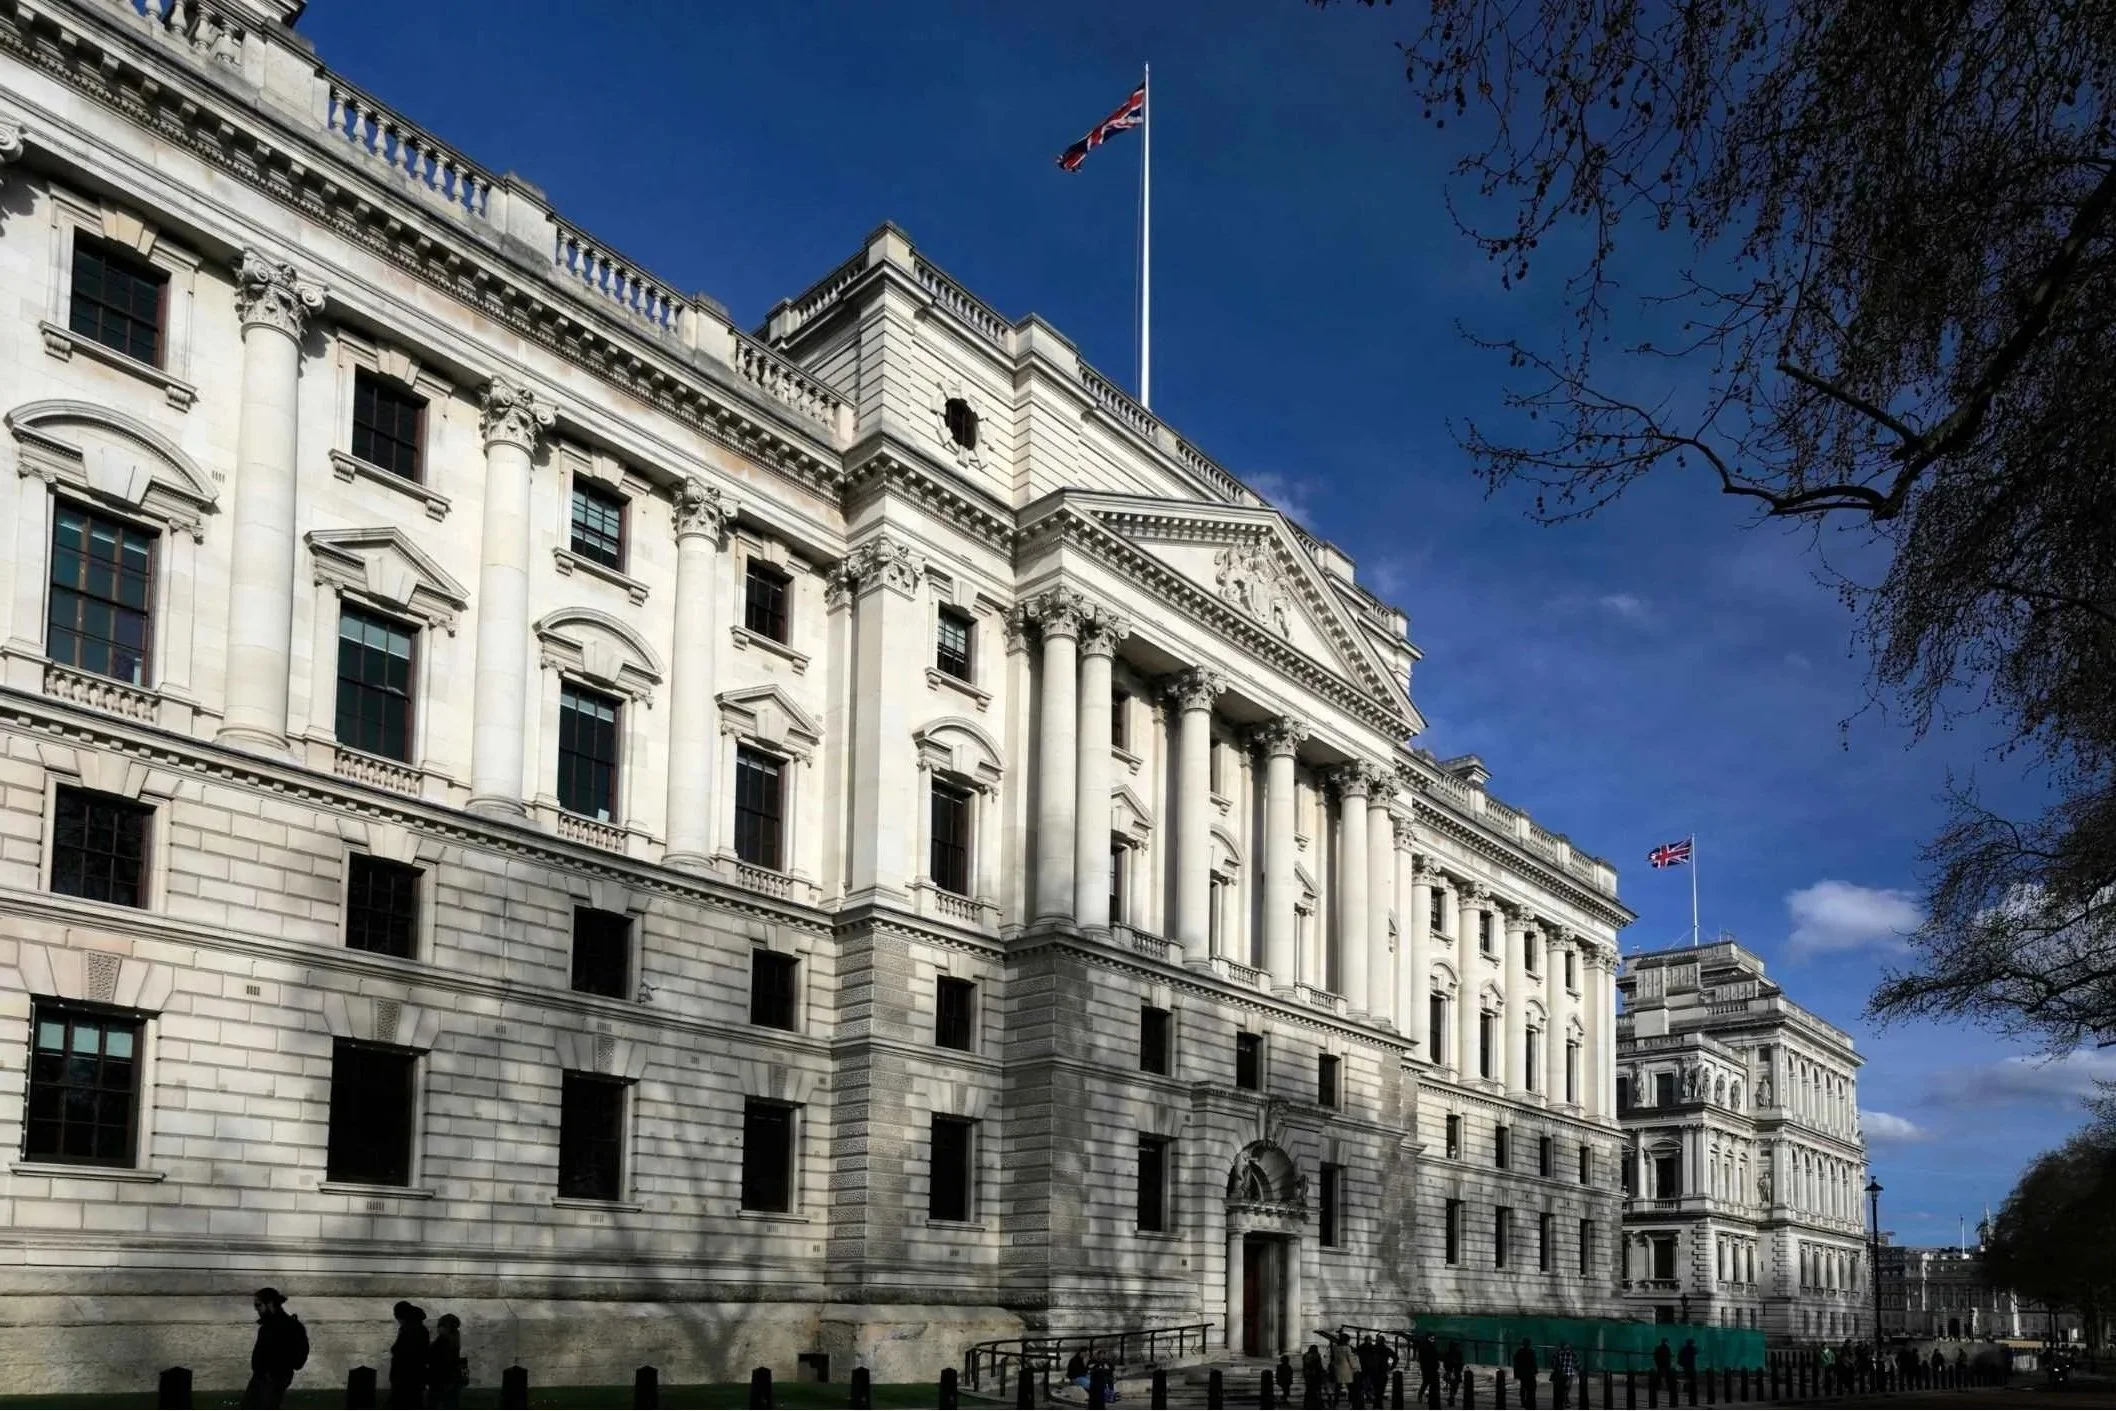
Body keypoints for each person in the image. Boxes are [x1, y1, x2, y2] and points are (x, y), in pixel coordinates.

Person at [240, 1288, 307, 1409]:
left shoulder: (278, 1327)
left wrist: (275, 1370)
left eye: (258, 1305)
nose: (256, 1309)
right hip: (267, 1378)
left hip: (270, 1379)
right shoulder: (288, 1326)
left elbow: (299, 1357)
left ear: (270, 1304)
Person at [387, 1301, 430, 1409]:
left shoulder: (410, 1329)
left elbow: (402, 1351)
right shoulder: (418, 1328)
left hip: (407, 1377)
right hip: (414, 1376)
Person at [428, 1313, 466, 1409]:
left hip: (441, 1379)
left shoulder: (442, 1340)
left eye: (439, 1326)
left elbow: (432, 1355)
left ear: (444, 1327)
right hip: (452, 1378)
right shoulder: (455, 1338)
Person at [1331, 1335, 1358, 1408]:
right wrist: (1355, 1368)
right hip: (1347, 1370)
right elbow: (1350, 1359)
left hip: (1338, 1369)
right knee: (1350, 1388)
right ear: (1347, 1340)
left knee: (1338, 1387)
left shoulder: (1335, 1348)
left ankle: (1335, 1403)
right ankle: (1351, 1402)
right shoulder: (1347, 1348)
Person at [1552, 1342, 1579, 1410]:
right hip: (1567, 1374)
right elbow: (1577, 1363)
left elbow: (1553, 1363)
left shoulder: (1558, 1353)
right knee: (1566, 1389)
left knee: (1563, 1389)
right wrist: (1573, 1367)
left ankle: (1563, 1402)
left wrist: (1557, 1367)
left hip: (1562, 1374)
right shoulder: (1572, 1353)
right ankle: (1565, 1401)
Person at [1512, 1339, 1538, 1409]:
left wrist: (1516, 1374)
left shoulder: (1519, 1352)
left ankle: (1524, 1402)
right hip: (1530, 1373)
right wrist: (1535, 1371)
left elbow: (1516, 1363)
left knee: (1523, 1388)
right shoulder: (1531, 1352)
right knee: (1531, 1389)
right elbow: (1534, 1363)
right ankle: (1531, 1403)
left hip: (1522, 1373)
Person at [1417, 1335, 1441, 1405]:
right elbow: (1433, 1356)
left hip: (1429, 1367)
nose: (1433, 1340)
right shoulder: (1428, 1347)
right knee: (1427, 1382)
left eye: (1434, 1338)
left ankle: (1421, 1395)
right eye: (1432, 1338)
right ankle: (1421, 1395)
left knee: (1427, 1382)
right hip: (1428, 1367)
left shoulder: (1428, 1346)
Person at [1442, 1341, 1465, 1408]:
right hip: (1452, 1371)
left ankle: (1451, 1397)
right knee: (1453, 1386)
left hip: (1455, 1372)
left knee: (1454, 1387)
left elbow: (1461, 1362)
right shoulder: (1449, 1354)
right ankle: (1451, 1398)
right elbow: (1445, 1364)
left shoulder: (1456, 1353)